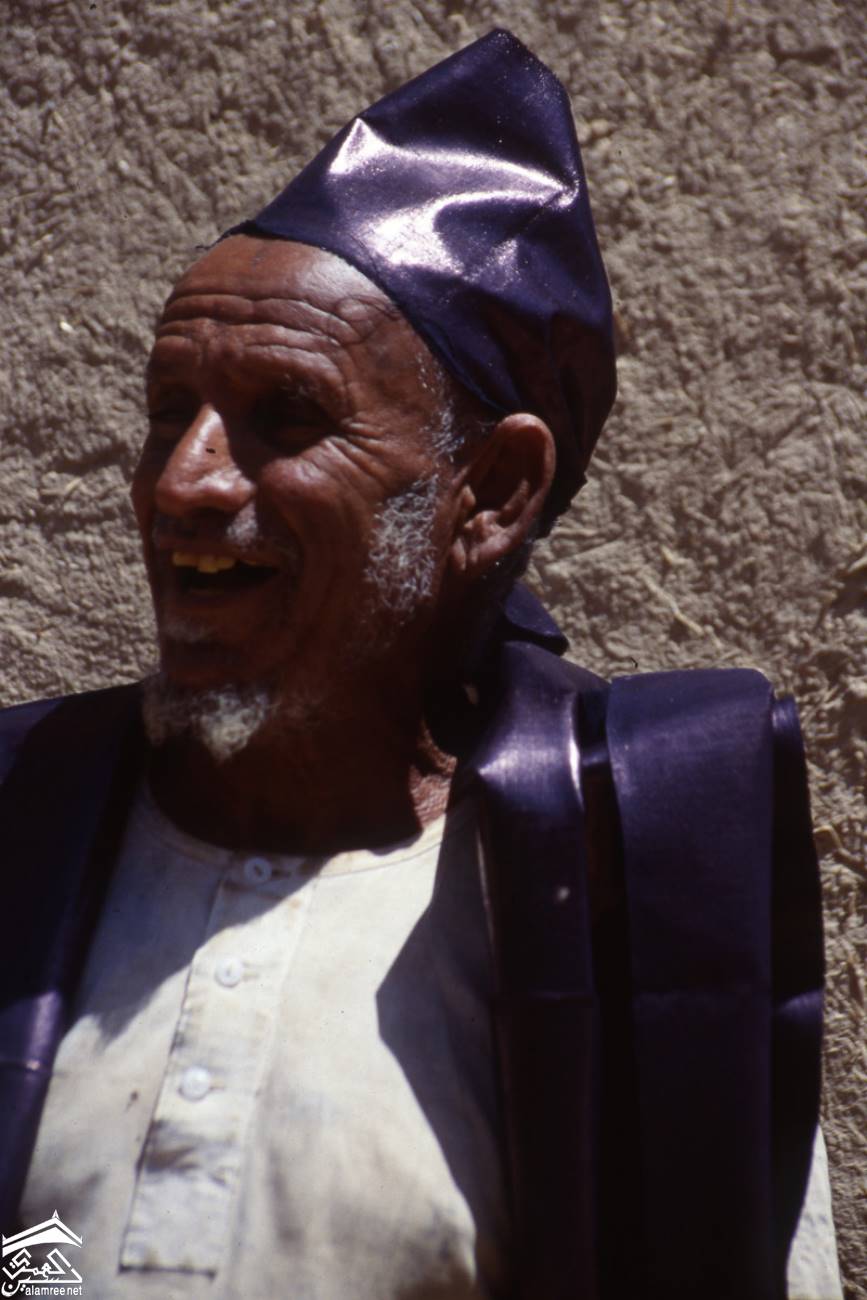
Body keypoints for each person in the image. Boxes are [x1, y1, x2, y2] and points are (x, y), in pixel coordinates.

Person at [0, 29, 840, 1300]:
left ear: (491, 493)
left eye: (288, 417)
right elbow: (40, 1247)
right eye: (171, 411)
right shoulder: (28, 839)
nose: (182, 482)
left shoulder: (623, 920)